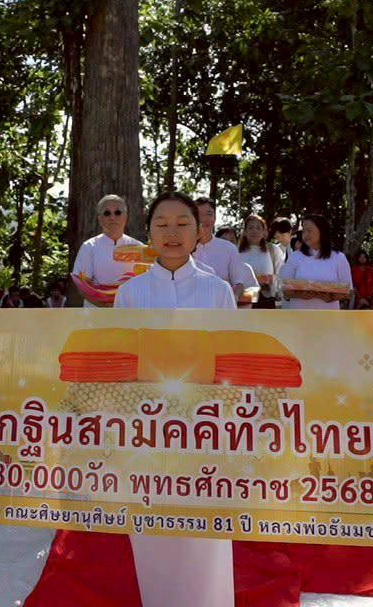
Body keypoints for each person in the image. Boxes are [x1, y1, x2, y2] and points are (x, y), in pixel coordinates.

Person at [114, 191, 235, 607]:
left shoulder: (217, 291)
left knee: (205, 530)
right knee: (151, 526)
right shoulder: (129, 294)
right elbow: (121, 364)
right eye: (161, 224)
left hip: (205, 433)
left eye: (182, 223)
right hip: (145, 433)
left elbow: (230, 364)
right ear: (148, 232)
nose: (172, 232)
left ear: (199, 231)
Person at [72, 195, 142, 305]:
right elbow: (82, 285)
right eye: (107, 213)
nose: (112, 217)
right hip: (96, 315)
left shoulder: (138, 247)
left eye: (117, 212)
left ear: (125, 216)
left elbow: (144, 283)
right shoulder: (89, 247)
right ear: (100, 218)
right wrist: (104, 306)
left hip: (129, 312)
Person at [191, 198, 259, 305]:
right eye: (199, 214)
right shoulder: (183, 248)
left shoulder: (229, 248)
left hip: (221, 311)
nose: (204, 219)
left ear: (214, 217)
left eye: (209, 214)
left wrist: (233, 298)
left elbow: (238, 283)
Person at [278, 214, 353, 310]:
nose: (305, 235)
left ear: (322, 232)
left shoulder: (339, 258)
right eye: (304, 230)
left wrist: (331, 297)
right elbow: (284, 289)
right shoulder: (295, 257)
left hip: (328, 316)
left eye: (309, 230)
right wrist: (300, 295)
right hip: (298, 316)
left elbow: (348, 291)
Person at [238, 214, 284, 309]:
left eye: (258, 228)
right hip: (243, 301)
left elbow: (281, 275)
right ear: (245, 232)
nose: (254, 231)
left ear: (264, 232)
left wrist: (270, 279)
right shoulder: (236, 251)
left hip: (267, 300)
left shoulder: (273, 250)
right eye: (250, 228)